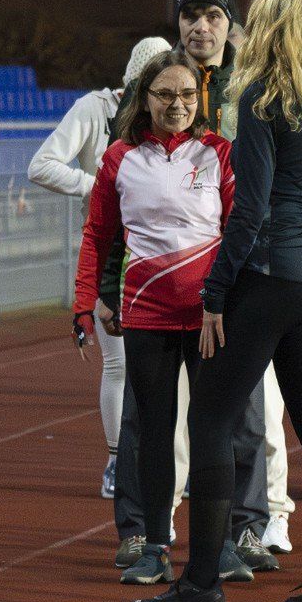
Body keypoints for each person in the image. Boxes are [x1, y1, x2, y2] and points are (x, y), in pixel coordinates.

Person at [132, 0, 302, 602]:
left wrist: (216, 291)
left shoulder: (262, 96)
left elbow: (251, 209)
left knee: (210, 422)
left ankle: (202, 584)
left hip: (268, 278)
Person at [74, 51, 234, 587]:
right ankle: (155, 546)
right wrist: (85, 302)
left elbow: (239, 232)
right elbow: (98, 234)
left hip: (209, 318)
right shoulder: (119, 158)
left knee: (212, 433)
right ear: (144, 99)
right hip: (146, 315)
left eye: (187, 94)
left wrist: (232, 302)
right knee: (154, 433)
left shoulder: (219, 153)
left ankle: (218, 547)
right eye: (165, 94)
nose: (177, 104)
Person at [30, 35, 186, 568]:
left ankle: (166, 473)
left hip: (164, 259)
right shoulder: (95, 110)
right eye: (150, 87)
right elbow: (41, 164)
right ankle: (120, 462)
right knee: (120, 365)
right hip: (112, 254)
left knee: (171, 378)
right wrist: (96, 184)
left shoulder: (180, 120)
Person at [174, 0, 288, 576]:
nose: (201, 27)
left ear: (230, 24)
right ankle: (156, 532)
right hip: (173, 266)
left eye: (212, 15)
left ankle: (248, 527)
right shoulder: (159, 83)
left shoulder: (254, 88)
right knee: (172, 414)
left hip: (241, 264)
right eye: (190, 15)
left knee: (247, 408)